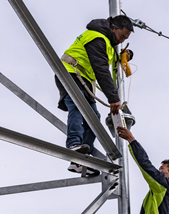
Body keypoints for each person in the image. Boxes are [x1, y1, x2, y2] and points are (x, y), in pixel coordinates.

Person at [55, 15, 133, 176]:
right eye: (121, 36)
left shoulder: (108, 42)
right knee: (78, 106)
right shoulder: (97, 38)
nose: (121, 41)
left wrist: (128, 54)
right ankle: (73, 145)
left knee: (94, 117)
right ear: (113, 27)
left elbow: (109, 58)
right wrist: (113, 98)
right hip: (70, 72)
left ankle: (79, 160)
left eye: (125, 39)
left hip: (82, 79)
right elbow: (101, 69)